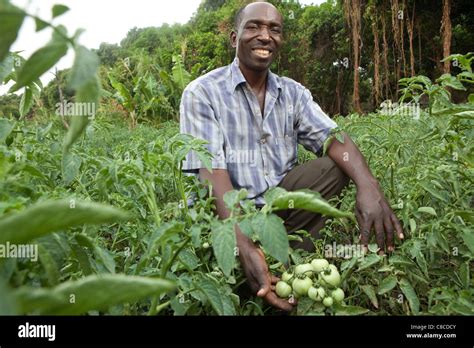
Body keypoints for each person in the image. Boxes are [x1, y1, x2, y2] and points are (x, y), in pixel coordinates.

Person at [179, 1, 404, 311]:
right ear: (234, 38)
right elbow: (211, 171)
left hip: (276, 206)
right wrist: (243, 242)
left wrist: (369, 187)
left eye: (274, 29)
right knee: (233, 269)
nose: (265, 36)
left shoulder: (293, 93)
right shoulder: (202, 92)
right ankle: (250, 268)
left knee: (336, 166)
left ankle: (290, 265)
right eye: (254, 27)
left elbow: (333, 140)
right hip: (227, 212)